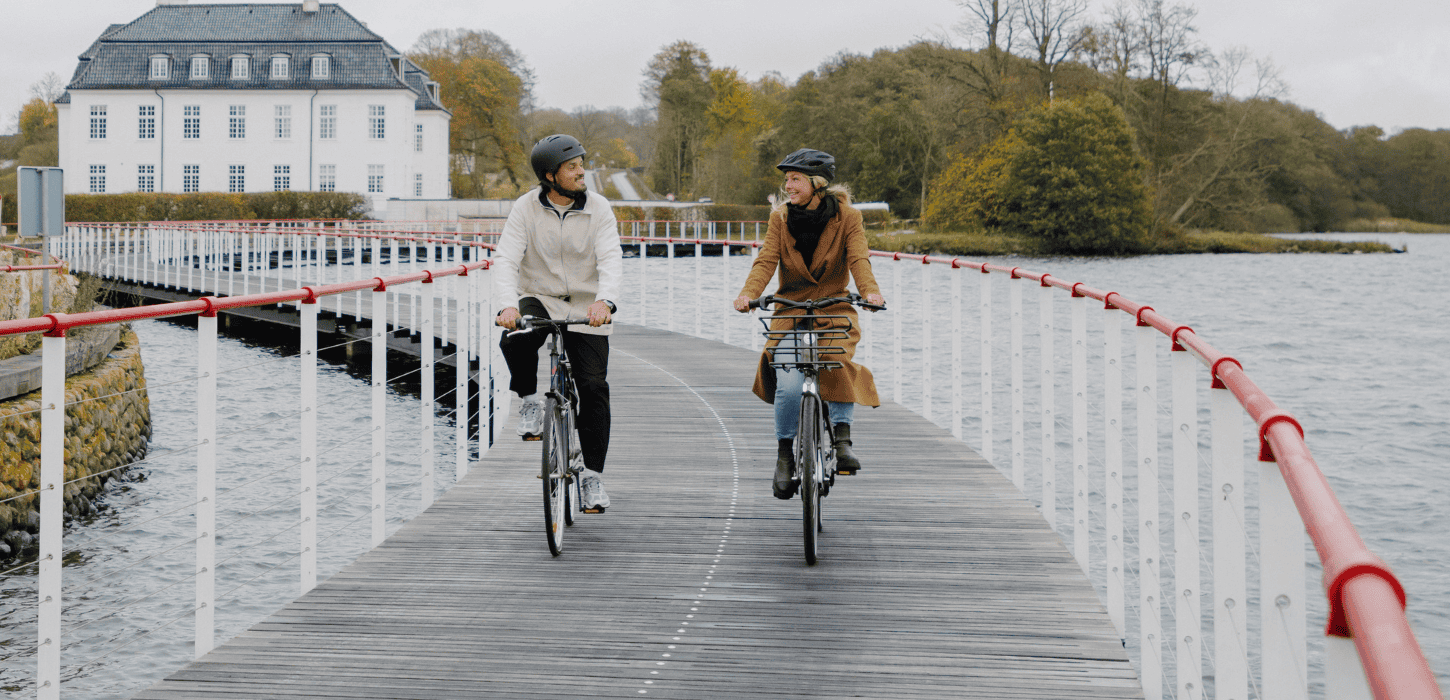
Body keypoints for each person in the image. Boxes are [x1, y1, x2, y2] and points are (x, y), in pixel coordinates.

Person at [732, 148, 887, 500]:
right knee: (788, 384)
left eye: (795, 179)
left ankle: (843, 439)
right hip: (789, 312)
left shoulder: (848, 217)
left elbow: (859, 258)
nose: (788, 185)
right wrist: (747, 294)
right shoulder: (781, 218)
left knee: (836, 359)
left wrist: (871, 293)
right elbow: (765, 261)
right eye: (786, 179)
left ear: (817, 184)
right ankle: (785, 455)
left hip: (834, 308)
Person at [495, 134, 623, 513]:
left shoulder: (598, 209)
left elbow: (611, 257)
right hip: (539, 296)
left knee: (594, 386)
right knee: (515, 338)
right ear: (550, 175)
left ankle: (593, 479)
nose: (582, 170)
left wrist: (606, 300)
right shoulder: (525, 208)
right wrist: (506, 305)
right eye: (573, 166)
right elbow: (505, 259)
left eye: (582, 162)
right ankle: (530, 402)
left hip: (588, 305)